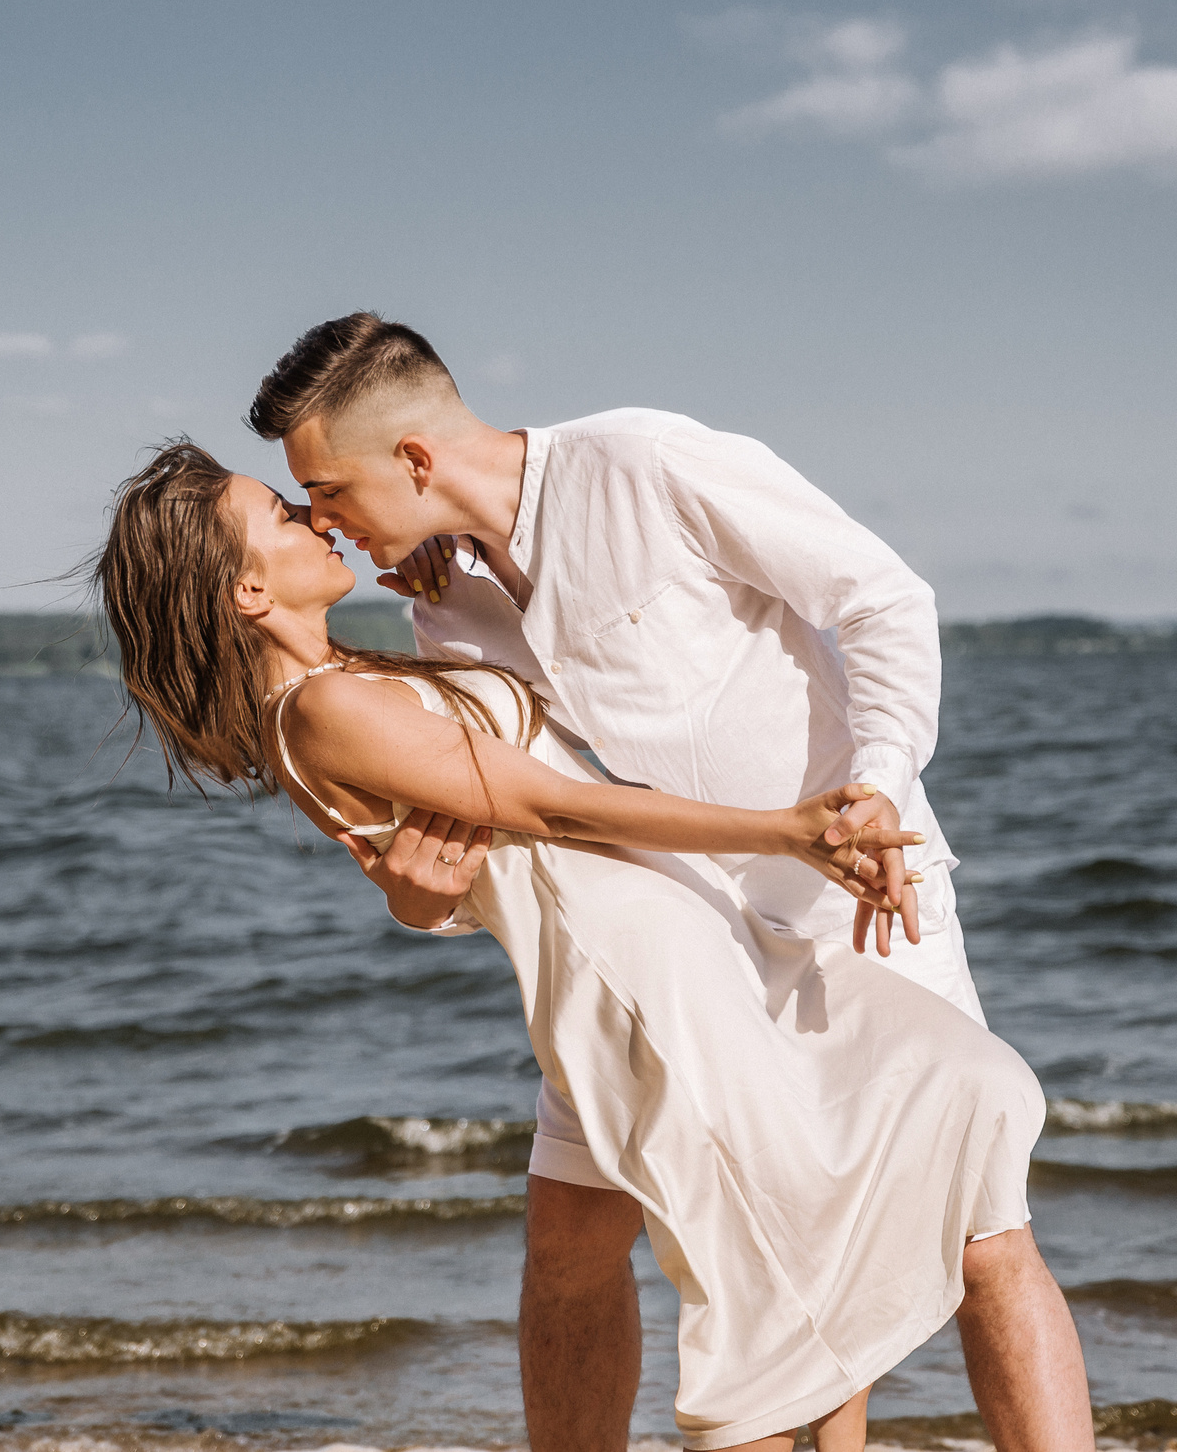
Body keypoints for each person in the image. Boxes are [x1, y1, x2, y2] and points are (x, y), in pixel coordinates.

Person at [92, 437, 1070, 1452]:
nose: (314, 514)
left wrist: (452, 577)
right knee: (764, 1288)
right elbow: (551, 806)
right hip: (641, 984)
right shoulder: (325, 706)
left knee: (892, 1148)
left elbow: (493, 799)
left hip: (688, 945)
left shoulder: (355, 676)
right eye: (283, 515)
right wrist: (787, 828)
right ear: (249, 589)